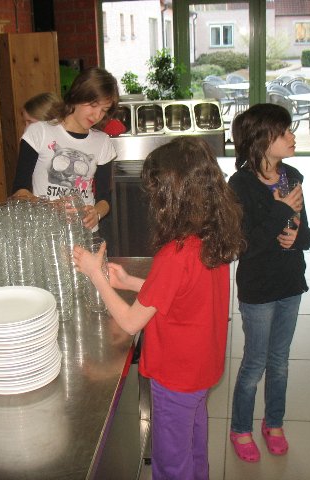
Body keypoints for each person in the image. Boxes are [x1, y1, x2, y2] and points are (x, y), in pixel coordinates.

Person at [73, 136, 245, 479]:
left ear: (173, 196)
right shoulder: (211, 237)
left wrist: (96, 275)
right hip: (201, 370)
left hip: (176, 377)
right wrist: (128, 281)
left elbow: (131, 322)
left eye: (156, 192)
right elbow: (182, 296)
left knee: (170, 464)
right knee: (194, 447)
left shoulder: (175, 253)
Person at [227, 103, 310, 462]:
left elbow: (307, 233)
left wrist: (298, 238)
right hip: (259, 289)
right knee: (255, 363)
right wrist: (280, 211)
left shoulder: (291, 176)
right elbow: (243, 246)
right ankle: (240, 428)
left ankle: (274, 422)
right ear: (261, 140)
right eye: (284, 131)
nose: (292, 136)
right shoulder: (240, 186)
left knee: (280, 362)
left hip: (290, 284)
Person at [11, 67, 119, 230]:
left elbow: (105, 198)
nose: (97, 115)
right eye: (93, 105)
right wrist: (50, 206)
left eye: (104, 110)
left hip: (85, 233)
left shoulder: (102, 141)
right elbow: (19, 192)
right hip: (46, 232)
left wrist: (96, 213)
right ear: (78, 95)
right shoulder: (39, 132)